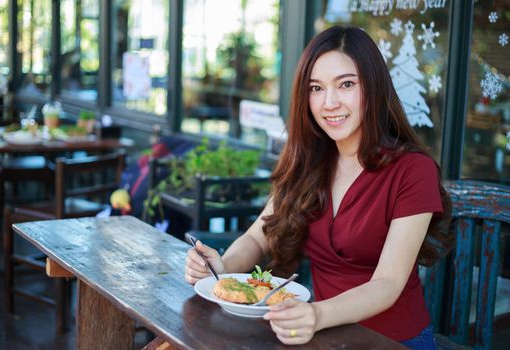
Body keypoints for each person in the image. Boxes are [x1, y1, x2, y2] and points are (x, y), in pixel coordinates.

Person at [184, 25, 452, 349]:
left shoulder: (412, 170)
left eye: (347, 84)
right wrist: (223, 268)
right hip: (319, 336)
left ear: (375, 87)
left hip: (392, 339)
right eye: (316, 88)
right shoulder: (309, 160)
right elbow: (259, 236)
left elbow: (388, 283)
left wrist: (316, 315)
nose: (330, 102)